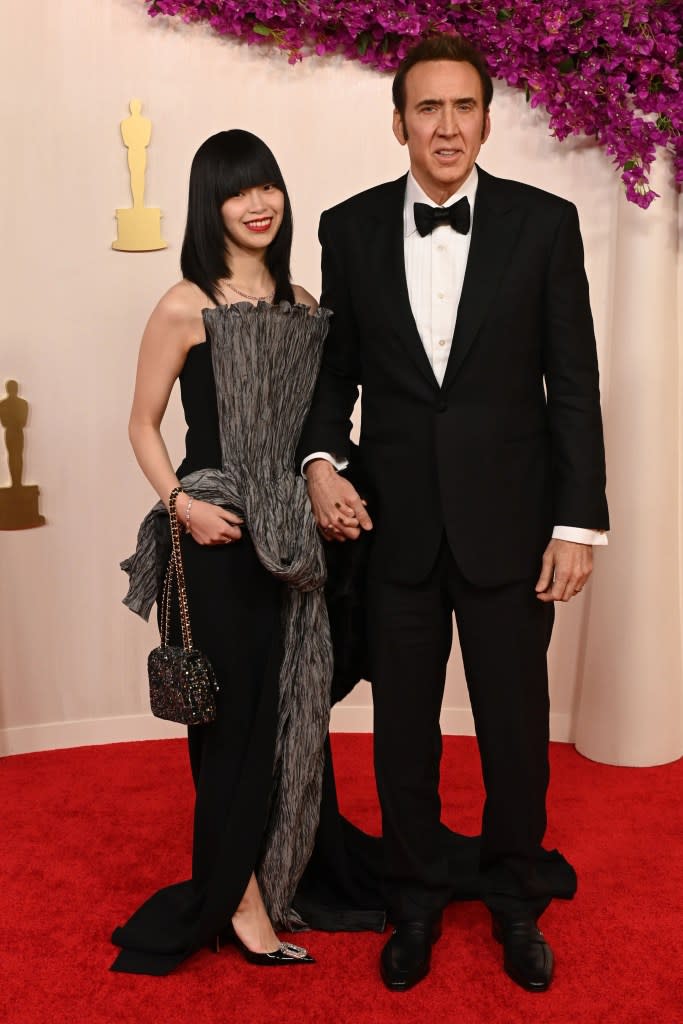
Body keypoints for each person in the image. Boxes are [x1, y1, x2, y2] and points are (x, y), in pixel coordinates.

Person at [298, 35, 609, 993]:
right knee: (404, 732)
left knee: (516, 728)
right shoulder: (346, 229)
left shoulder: (545, 224)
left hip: (513, 530)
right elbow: (334, 372)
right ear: (399, 122)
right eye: (425, 109)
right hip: (394, 527)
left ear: (485, 117)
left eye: (462, 107)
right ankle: (417, 895)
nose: (445, 126)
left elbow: (573, 386)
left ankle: (516, 895)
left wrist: (578, 522)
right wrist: (316, 460)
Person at [112, 130, 333, 974]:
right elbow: (141, 422)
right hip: (214, 534)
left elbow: (314, 423)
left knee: (289, 706)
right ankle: (236, 897)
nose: (258, 203)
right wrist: (182, 506)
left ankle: (282, 865)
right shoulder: (182, 302)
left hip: (290, 532)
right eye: (238, 192)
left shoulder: (302, 299)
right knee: (230, 721)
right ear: (212, 207)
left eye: (267, 185)